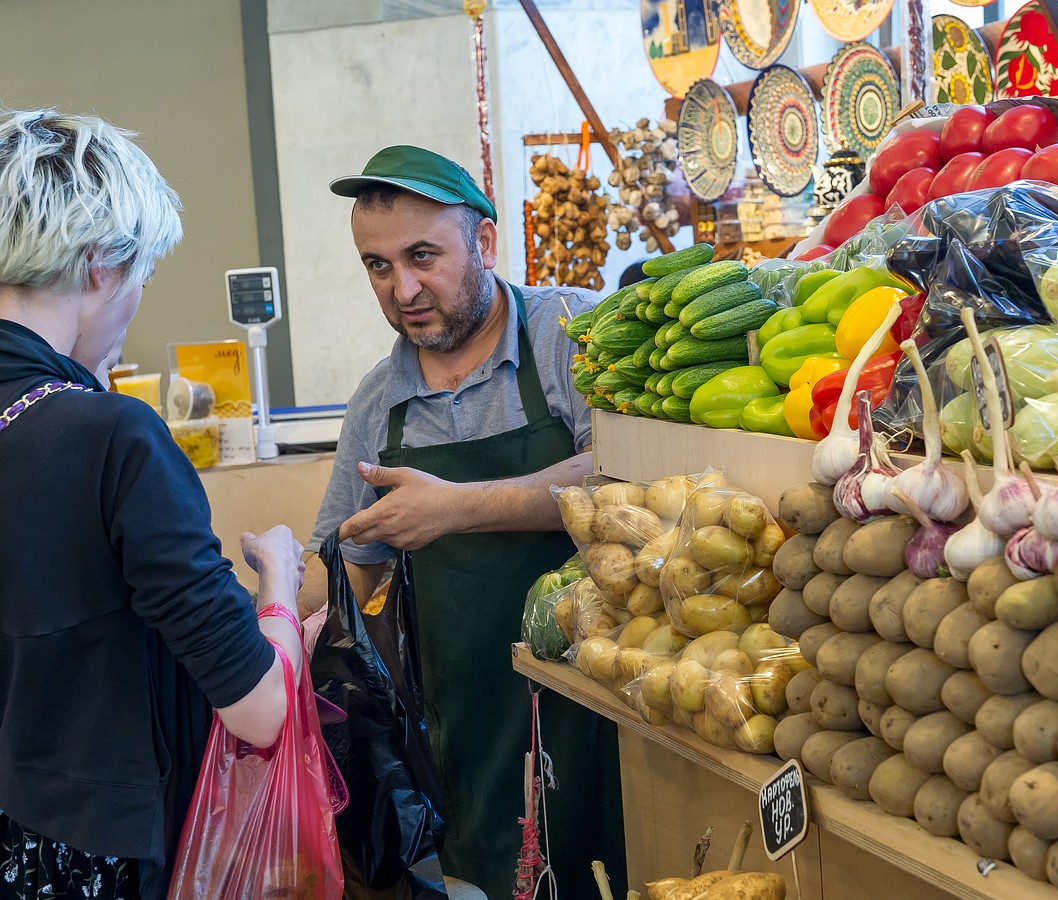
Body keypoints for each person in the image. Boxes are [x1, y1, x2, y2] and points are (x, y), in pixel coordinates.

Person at [299, 145, 626, 897]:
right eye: (377, 266)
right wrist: (281, 621)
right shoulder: (378, 403)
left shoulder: (571, 332)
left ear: (483, 242)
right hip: (468, 732)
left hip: (608, 700)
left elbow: (620, 480)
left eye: (422, 256)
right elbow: (354, 569)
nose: (402, 288)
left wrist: (456, 509)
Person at [0, 109, 307, 900]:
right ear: (100, 263)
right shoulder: (110, 439)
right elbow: (261, 709)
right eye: (142, 275)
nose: (136, 299)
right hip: (91, 858)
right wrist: (277, 579)